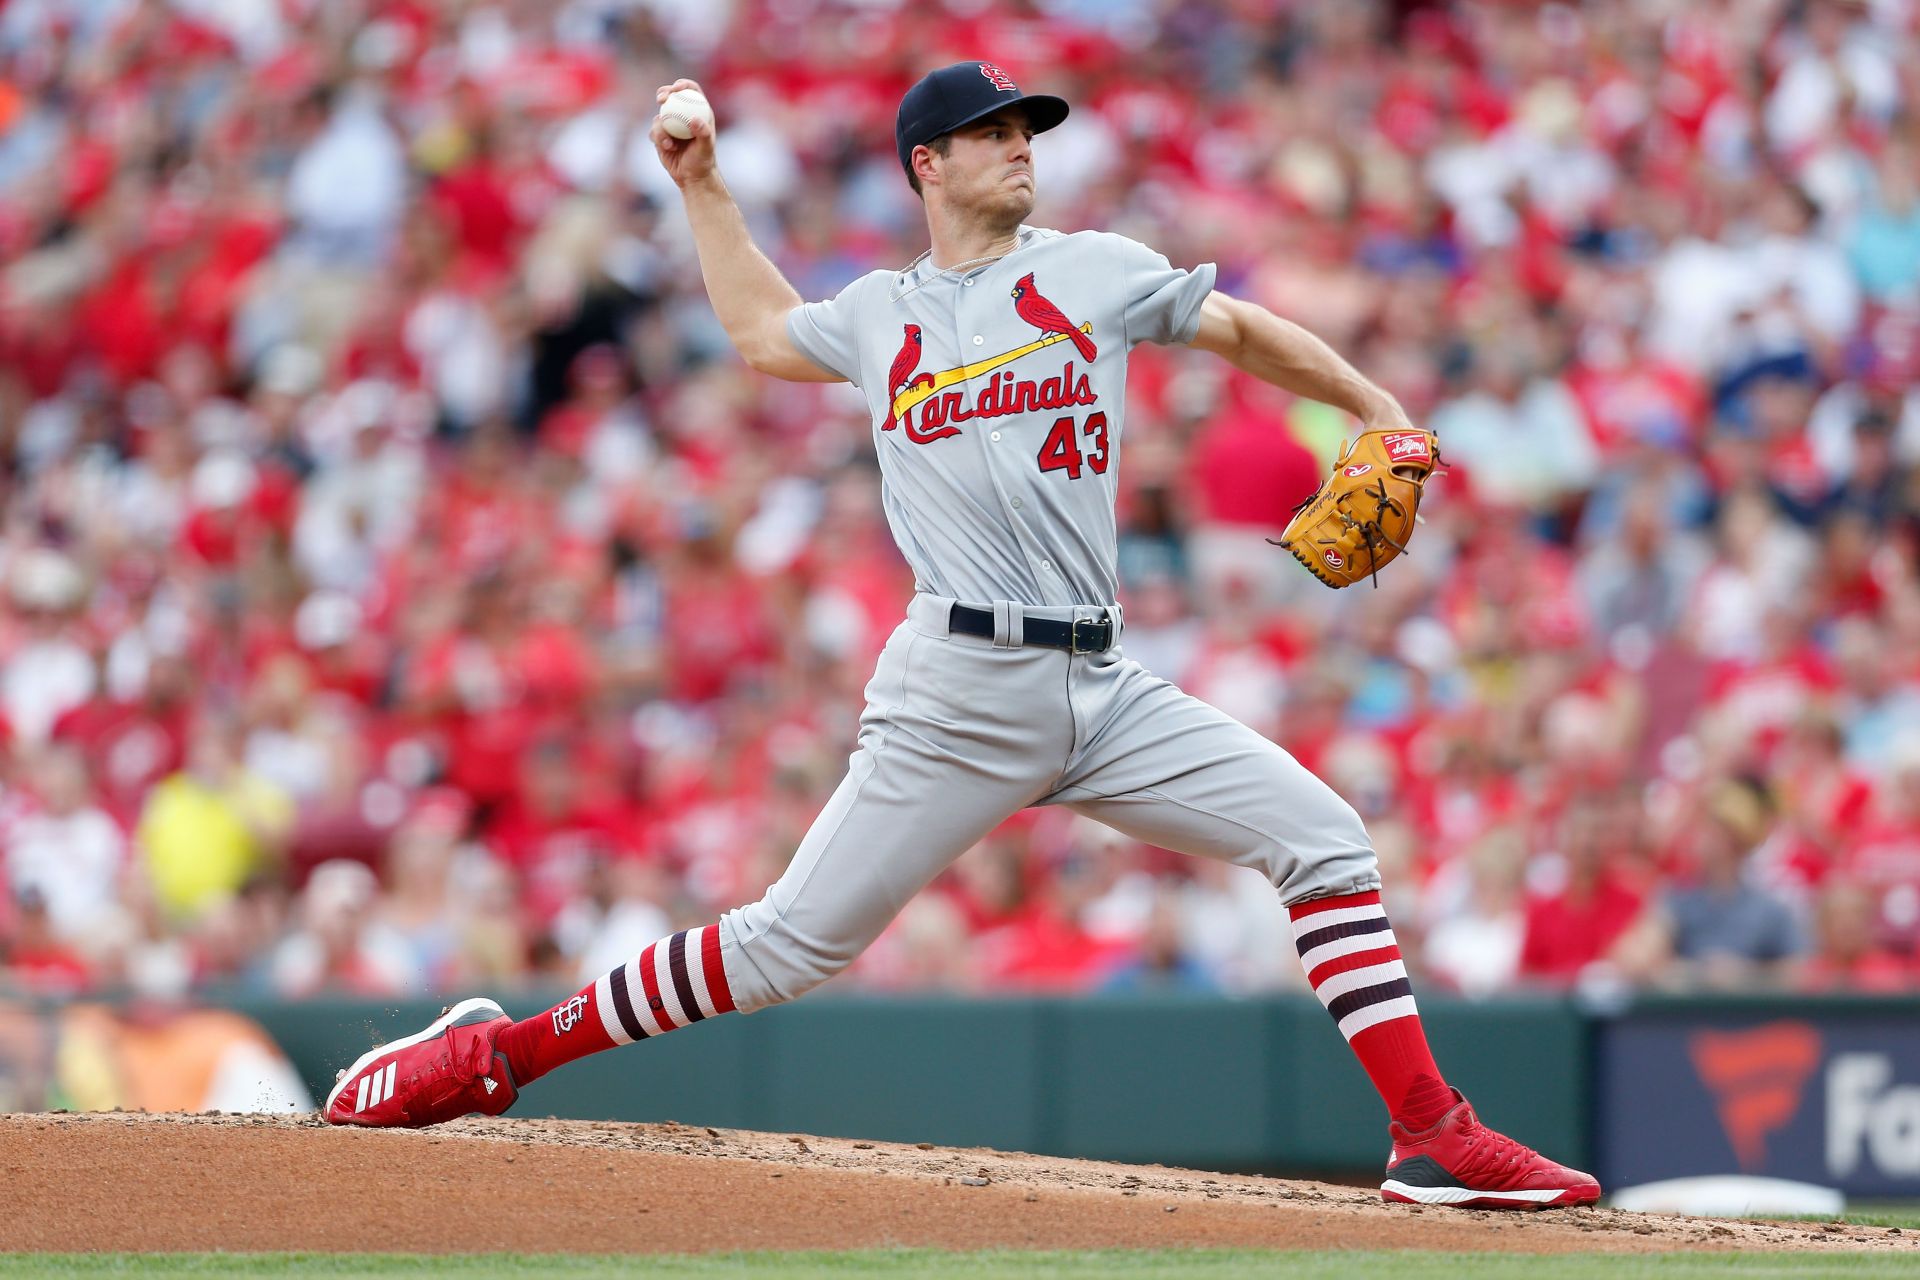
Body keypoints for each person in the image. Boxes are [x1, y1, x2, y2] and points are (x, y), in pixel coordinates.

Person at [322, 63, 1598, 1210]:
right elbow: (765, 334)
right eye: (989, 132)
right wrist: (704, 184)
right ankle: (498, 1053)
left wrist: (1375, 404)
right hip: (958, 684)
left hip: (1101, 684)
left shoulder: (1093, 267)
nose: (1019, 146)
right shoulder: (881, 314)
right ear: (926, 164)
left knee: (1323, 837)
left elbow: (1245, 330)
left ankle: (1432, 1133)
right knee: (785, 944)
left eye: (1025, 127)